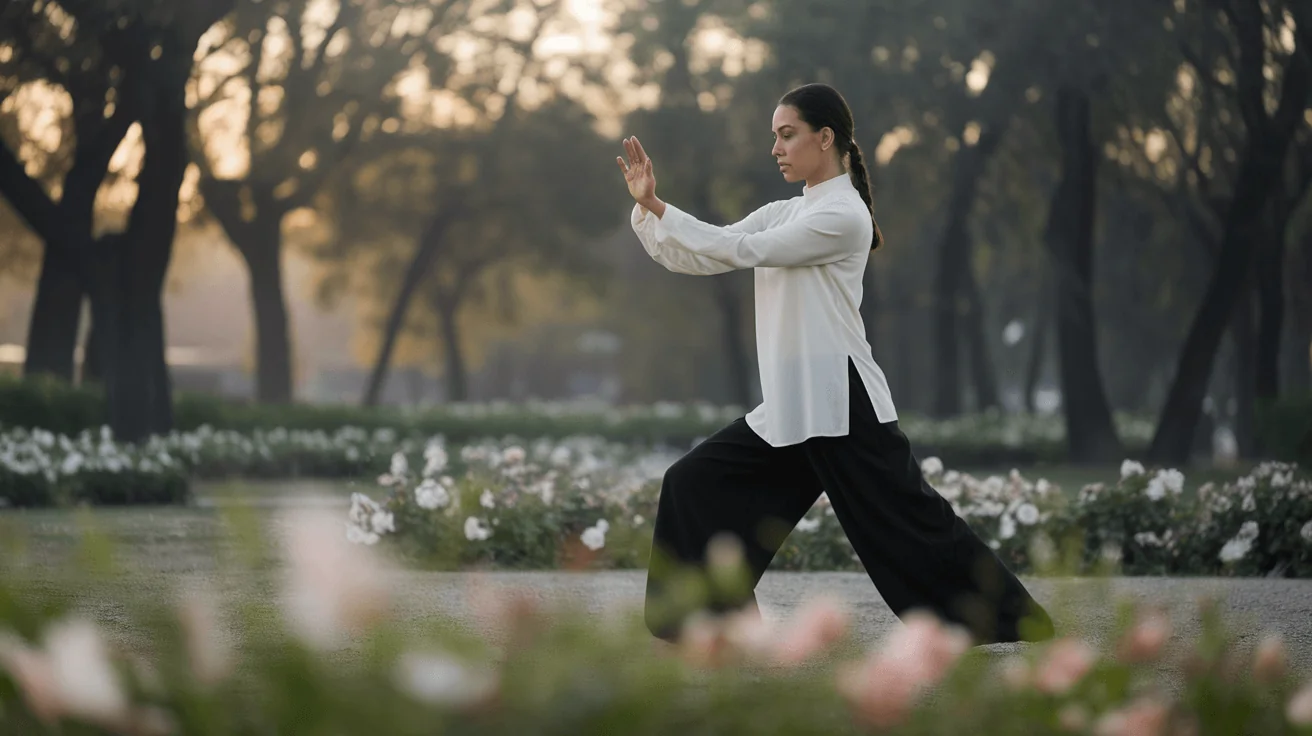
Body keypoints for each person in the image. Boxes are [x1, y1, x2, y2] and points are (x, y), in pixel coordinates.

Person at [616, 83, 1056, 646]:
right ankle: (707, 619)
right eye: (774, 137)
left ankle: (1015, 621)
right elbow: (713, 249)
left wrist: (659, 207)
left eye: (787, 135)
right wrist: (648, 207)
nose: (775, 148)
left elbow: (741, 251)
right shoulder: (788, 210)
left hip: (841, 398)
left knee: (908, 525)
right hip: (794, 400)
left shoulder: (844, 215)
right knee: (694, 485)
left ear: (825, 138)